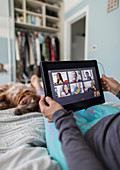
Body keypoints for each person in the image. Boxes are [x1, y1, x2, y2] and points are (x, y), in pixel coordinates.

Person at [31, 74, 120, 170]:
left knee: (49, 110)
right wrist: (118, 90)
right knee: (81, 106)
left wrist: (60, 116)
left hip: (82, 145)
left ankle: (39, 90)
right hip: (112, 120)